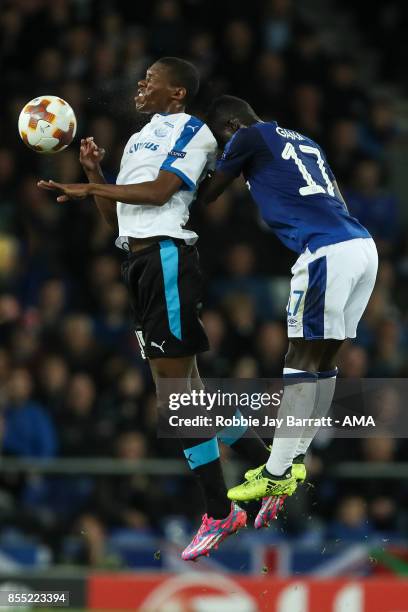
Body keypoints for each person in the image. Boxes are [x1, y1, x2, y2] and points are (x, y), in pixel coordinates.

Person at [37, 60, 270, 560]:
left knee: (176, 400)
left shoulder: (195, 131)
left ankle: (221, 506)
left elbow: (162, 193)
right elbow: (121, 219)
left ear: (178, 91)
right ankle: (264, 467)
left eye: (150, 78)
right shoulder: (140, 137)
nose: (140, 84)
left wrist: (91, 188)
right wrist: (96, 174)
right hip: (138, 262)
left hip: (167, 257)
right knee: (189, 394)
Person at [199, 94, 378, 528]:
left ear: (229, 127)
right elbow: (329, 195)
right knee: (324, 362)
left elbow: (209, 196)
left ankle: (275, 471)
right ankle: (296, 459)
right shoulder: (303, 140)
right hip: (362, 247)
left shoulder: (246, 135)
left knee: (298, 361)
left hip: (324, 253)